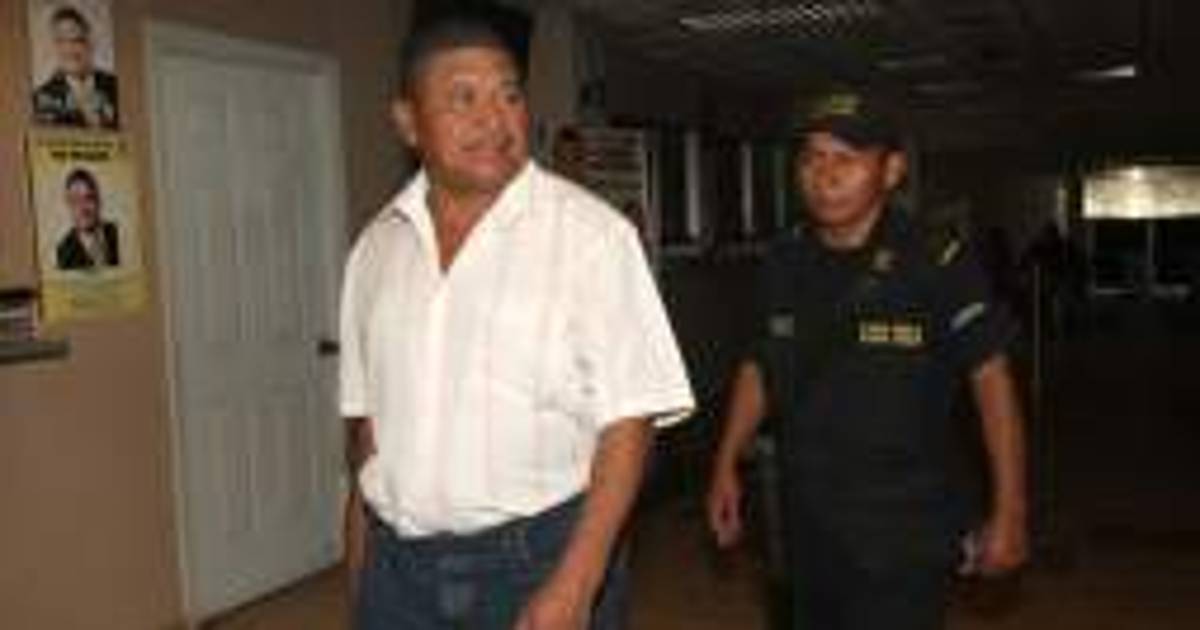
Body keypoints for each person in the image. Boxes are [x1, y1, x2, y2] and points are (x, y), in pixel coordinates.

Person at [338, 15, 693, 630]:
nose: (494, 119)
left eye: (509, 95)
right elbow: (368, 428)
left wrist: (577, 585)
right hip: (397, 572)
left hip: (538, 563)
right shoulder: (376, 249)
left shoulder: (593, 238)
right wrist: (362, 581)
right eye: (463, 98)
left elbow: (629, 423)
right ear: (408, 122)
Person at [706, 92, 1028, 629]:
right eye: (812, 157)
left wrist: (1010, 511)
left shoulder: (935, 260)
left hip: (903, 528)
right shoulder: (784, 260)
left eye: (847, 158)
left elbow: (991, 377)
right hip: (805, 522)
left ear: (892, 170)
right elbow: (759, 364)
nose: (825, 175)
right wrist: (724, 463)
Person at [32, 5, 120, 129]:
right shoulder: (41, 97)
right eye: (62, 41)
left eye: (77, 40)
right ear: (54, 46)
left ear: (90, 43)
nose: (70, 49)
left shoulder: (114, 86)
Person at [56, 168, 119, 270]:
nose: (83, 208)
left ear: (98, 201)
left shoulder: (115, 233)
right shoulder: (64, 251)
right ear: (68, 206)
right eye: (76, 201)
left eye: (88, 198)